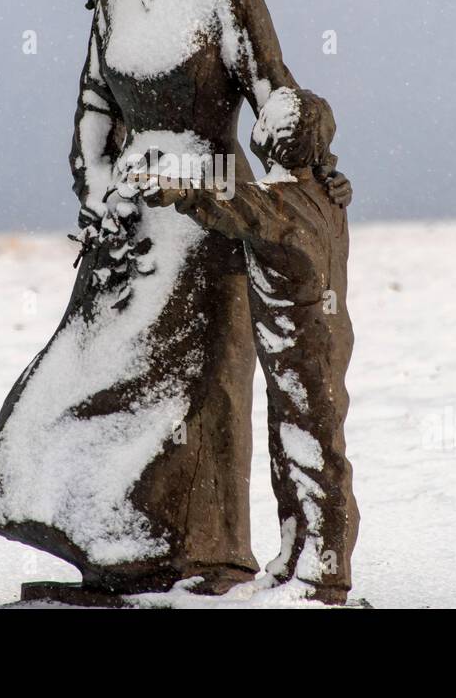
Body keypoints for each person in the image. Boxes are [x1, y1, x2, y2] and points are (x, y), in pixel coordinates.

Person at [0, 0, 351, 599]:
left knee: (191, 396)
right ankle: (115, 547)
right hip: (131, 229)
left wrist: (302, 131)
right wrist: (99, 190)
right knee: (84, 381)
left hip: (211, 209)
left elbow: (273, 89)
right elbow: (94, 107)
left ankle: (198, 556)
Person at [144, 87, 359, 603]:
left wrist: (170, 187)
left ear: (269, 142)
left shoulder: (276, 204)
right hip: (316, 344)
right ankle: (295, 555)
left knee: (313, 456)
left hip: (301, 350)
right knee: (297, 448)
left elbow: (224, 200)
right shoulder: (324, 196)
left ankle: (323, 576)